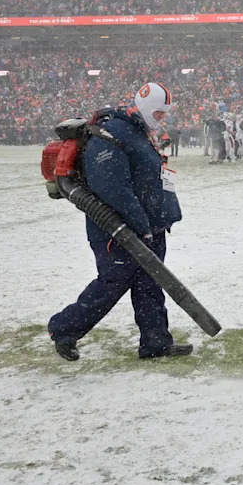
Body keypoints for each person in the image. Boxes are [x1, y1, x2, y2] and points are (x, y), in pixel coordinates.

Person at [47, 82, 192, 361]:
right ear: (147, 108)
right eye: (159, 114)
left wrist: (154, 224)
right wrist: (141, 226)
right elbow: (113, 189)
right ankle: (63, 328)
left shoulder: (137, 131)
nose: (162, 119)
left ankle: (156, 342)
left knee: (150, 284)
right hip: (115, 230)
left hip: (147, 227)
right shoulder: (110, 134)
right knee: (111, 284)